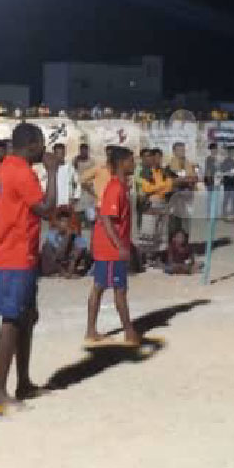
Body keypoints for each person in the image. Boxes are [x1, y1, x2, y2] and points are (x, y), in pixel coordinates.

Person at [0, 123, 59, 409]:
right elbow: (47, 209)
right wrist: (52, 172)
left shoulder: (4, 168)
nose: (44, 149)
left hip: (20, 254)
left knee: (26, 318)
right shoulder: (22, 172)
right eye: (41, 144)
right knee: (12, 321)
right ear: (31, 145)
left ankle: (24, 382)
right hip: (12, 256)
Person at [87, 145, 140, 344]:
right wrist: (120, 246)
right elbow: (107, 218)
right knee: (118, 289)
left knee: (101, 287)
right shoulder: (115, 187)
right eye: (131, 160)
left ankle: (92, 330)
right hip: (109, 249)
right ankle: (129, 332)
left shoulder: (121, 186)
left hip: (110, 246)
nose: (134, 164)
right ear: (122, 163)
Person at [41, 207, 91, 278]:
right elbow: (59, 255)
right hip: (56, 265)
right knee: (46, 247)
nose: (65, 224)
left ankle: (73, 272)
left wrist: (74, 237)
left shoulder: (74, 234)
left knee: (82, 249)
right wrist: (67, 236)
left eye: (67, 221)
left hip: (68, 263)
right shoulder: (51, 234)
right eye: (62, 221)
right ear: (58, 223)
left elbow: (82, 249)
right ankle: (60, 272)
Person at [219, 145, 234, 222]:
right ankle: (224, 215)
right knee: (226, 200)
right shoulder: (225, 162)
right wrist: (229, 173)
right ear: (229, 152)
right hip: (228, 183)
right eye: (233, 151)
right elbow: (222, 172)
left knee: (233, 200)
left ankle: (233, 216)